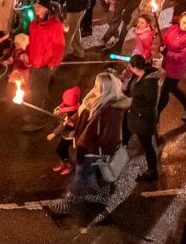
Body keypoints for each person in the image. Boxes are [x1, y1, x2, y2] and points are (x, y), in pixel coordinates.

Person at [49, 72, 129, 215]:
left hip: (92, 150)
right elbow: (83, 114)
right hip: (89, 147)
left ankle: (66, 203)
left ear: (106, 88)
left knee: (81, 174)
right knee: (95, 174)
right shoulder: (97, 100)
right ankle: (103, 196)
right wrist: (73, 120)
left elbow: (111, 136)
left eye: (98, 85)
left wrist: (101, 152)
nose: (95, 87)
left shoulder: (112, 111)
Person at [22, 0, 65, 132]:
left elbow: (59, 45)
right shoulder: (35, 23)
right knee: (35, 89)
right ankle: (36, 114)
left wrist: (52, 63)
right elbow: (32, 42)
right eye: (35, 6)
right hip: (35, 62)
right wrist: (28, 55)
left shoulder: (54, 24)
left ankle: (38, 120)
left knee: (38, 93)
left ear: (47, 8)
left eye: (39, 6)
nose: (36, 9)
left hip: (45, 64)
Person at [124, 54, 162, 182]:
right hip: (135, 115)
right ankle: (122, 145)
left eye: (130, 66)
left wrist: (134, 104)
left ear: (135, 67)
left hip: (143, 120)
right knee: (127, 131)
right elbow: (131, 89)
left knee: (147, 146)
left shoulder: (149, 83)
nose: (129, 68)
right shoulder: (138, 75)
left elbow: (150, 103)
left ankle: (152, 171)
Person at [158, 12, 186, 126]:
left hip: (176, 70)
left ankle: (155, 115)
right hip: (168, 64)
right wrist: (161, 49)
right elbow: (165, 42)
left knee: (164, 91)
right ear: (180, 20)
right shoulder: (173, 29)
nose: (185, 25)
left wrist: (167, 53)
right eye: (184, 22)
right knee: (174, 89)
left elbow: (183, 57)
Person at [47, 87, 81, 176]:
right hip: (67, 134)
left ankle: (69, 166)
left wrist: (53, 134)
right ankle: (62, 165)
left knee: (61, 150)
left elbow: (62, 126)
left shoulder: (70, 116)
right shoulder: (76, 107)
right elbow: (61, 109)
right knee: (62, 150)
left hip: (69, 136)